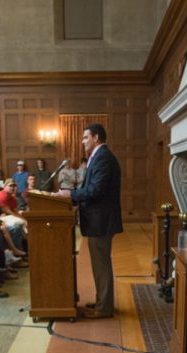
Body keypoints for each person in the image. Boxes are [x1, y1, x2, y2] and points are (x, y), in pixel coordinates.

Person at [56, 123, 122, 319]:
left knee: (101, 265)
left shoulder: (103, 158)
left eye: (85, 137)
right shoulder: (99, 157)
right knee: (100, 264)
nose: (82, 141)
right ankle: (103, 302)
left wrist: (71, 194)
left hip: (100, 221)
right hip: (98, 220)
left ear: (96, 138)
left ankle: (104, 308)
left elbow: (96, 190)